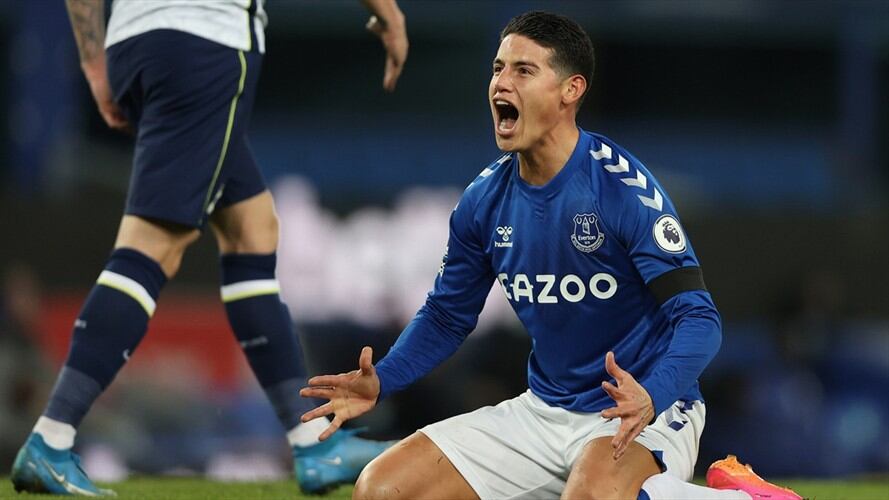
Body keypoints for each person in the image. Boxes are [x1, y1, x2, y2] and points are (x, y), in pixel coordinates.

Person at [299, 11, 802, 500]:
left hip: (642, 409)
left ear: (570, 90)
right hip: (544, 411)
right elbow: (448, 315)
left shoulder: (621, 189)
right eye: (497, 68)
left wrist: (652, 394)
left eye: (523, 70)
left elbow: (700, 319)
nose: (501, 84)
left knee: (591, 495)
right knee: (381, 489)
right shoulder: (483, 201)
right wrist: (383, 378)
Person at [10, 0, 408, 496]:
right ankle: (52, 437)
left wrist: (93, 61)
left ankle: (313, 443)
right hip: (204, 41)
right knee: (154, 243)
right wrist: (387, 10)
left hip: (136, 43)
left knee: (252, 227)